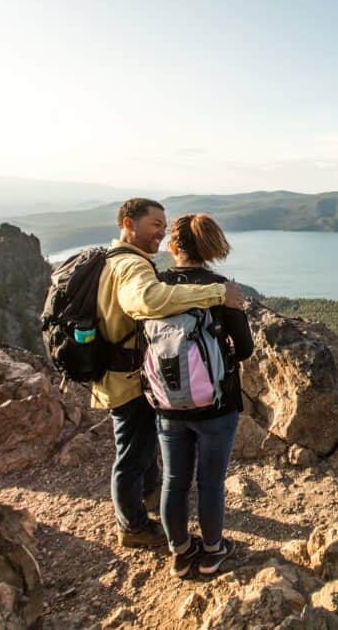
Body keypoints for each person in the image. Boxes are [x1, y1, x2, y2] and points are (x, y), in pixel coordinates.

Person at [93, 198, 245, 548]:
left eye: (164, 227)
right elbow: (147, 301)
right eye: (154, 225)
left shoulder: (124, 263)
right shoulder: (132, 268)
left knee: (165, 471)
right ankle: (132, 527)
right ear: (129, 224)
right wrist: (218, 293)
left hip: (150, 384)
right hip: (130, 379)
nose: (160, 233)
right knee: (132, 454)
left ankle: (163, 523)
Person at [155, 213, 253, 577]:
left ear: (173, 246)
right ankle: (213, 550)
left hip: (167, 403)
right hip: (217, 404)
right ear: (210, 244)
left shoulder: (156, 289)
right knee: (210, 481)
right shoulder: (220, 289)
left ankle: (180, 553)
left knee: (174, 480)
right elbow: (244, 349)